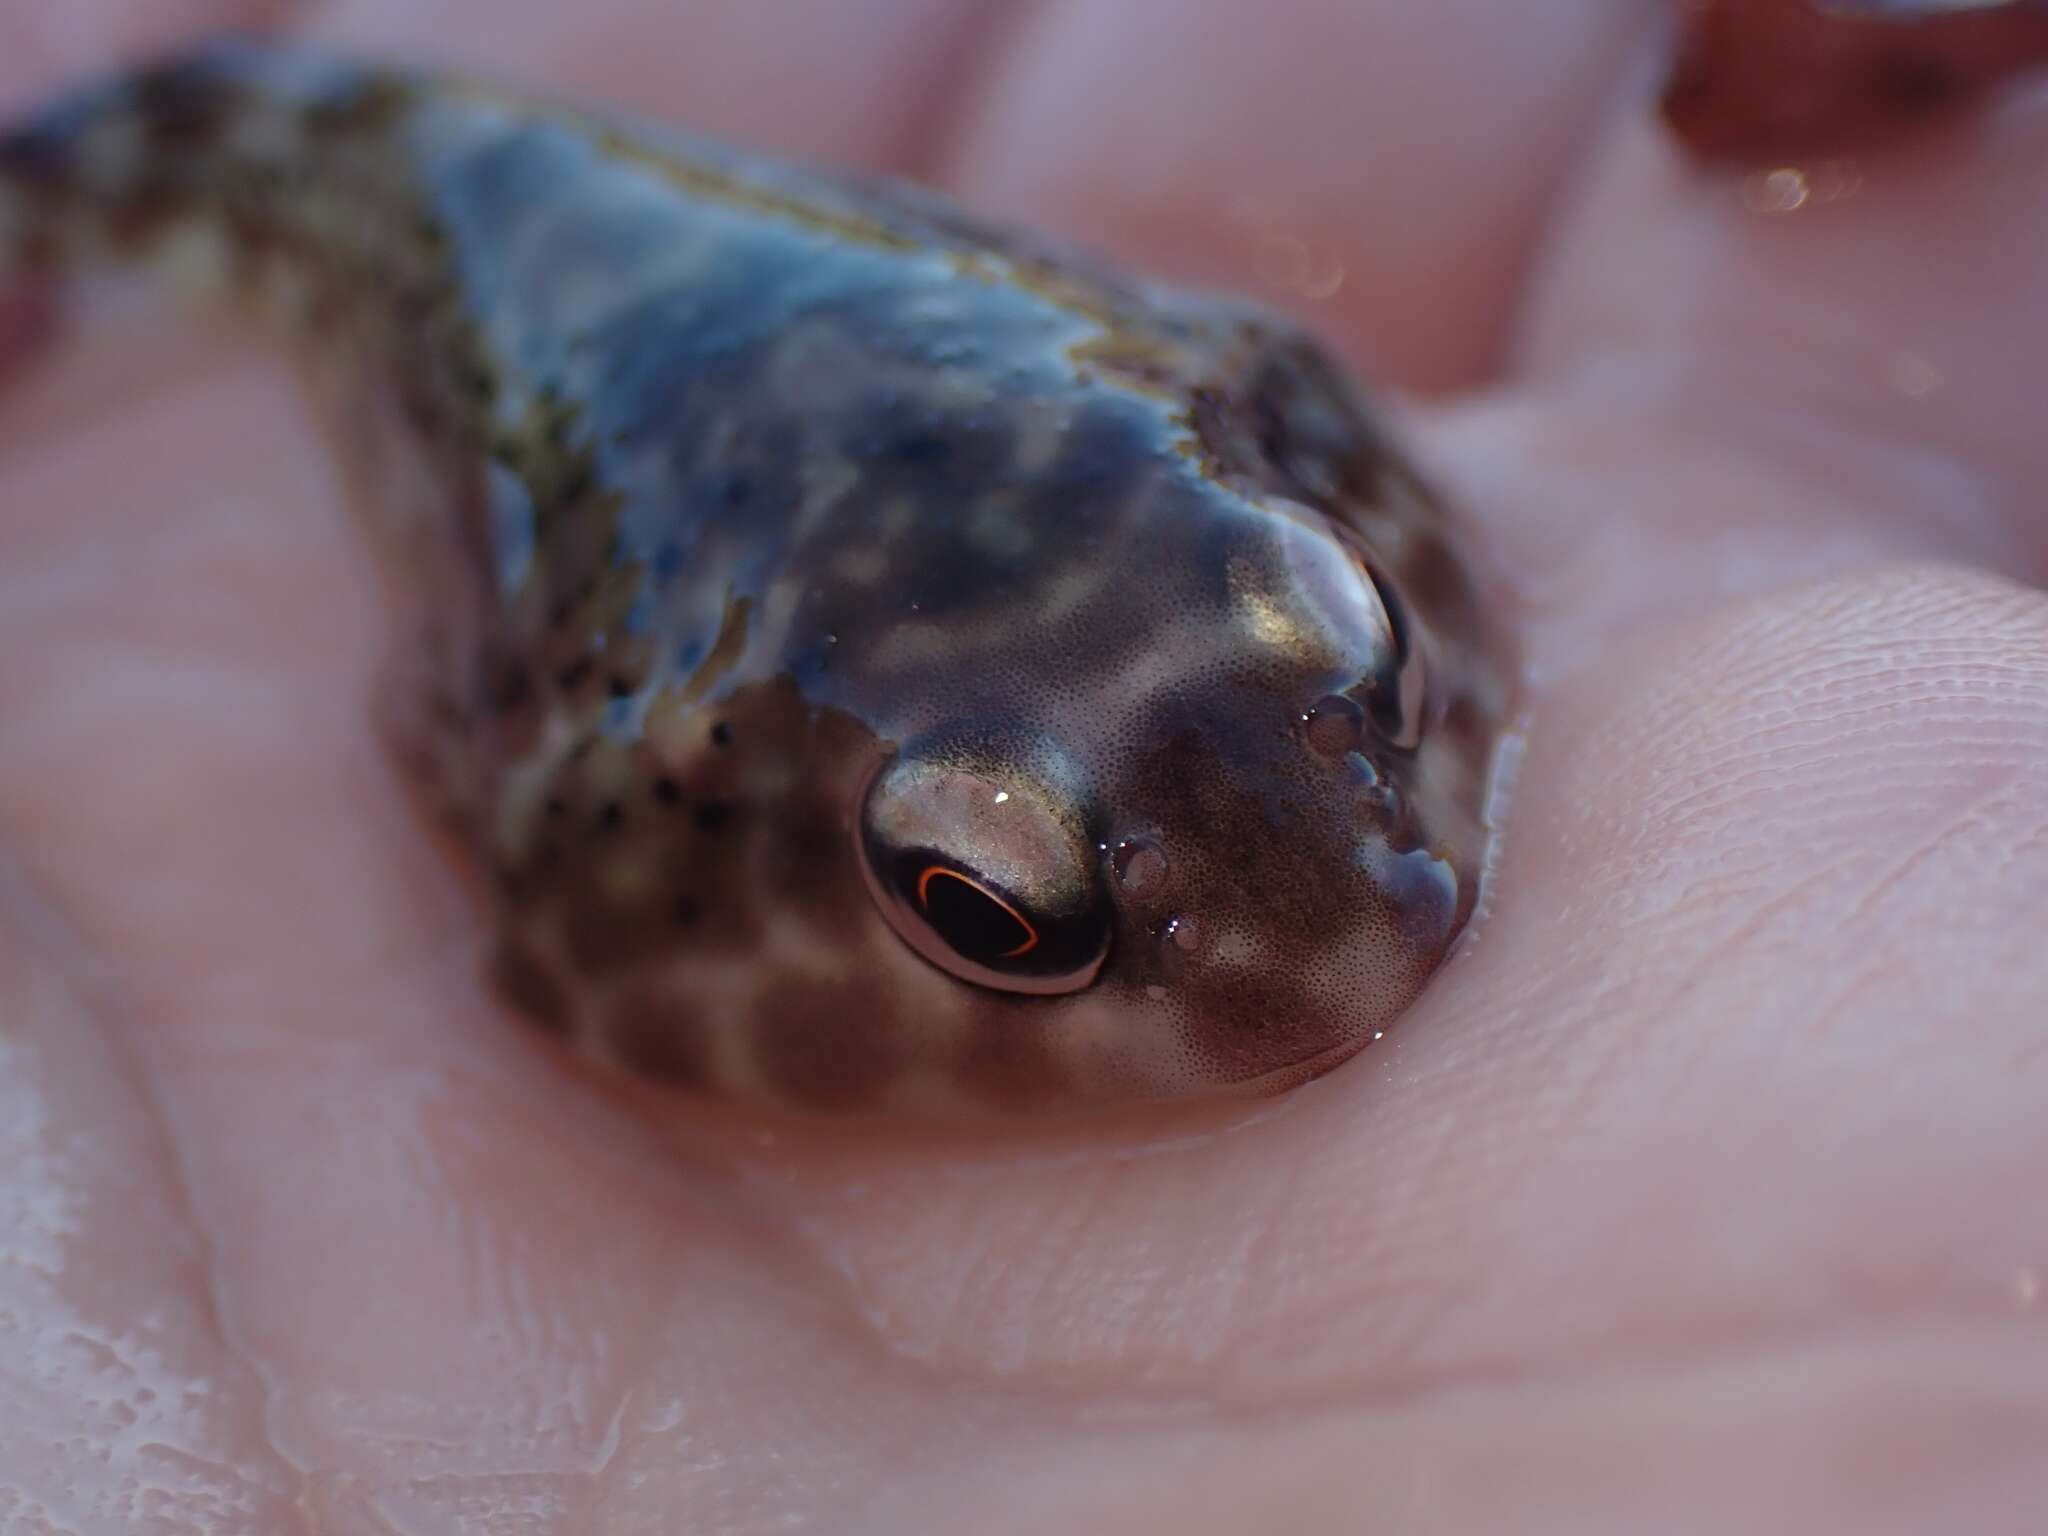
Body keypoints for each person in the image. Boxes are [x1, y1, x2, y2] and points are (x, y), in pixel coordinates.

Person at [1, 2, 2041, 1528]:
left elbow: (1264, 395)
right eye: (994, 910)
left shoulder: (1251, 457)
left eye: (1345, 667)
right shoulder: (644, 787)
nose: (1372, 905)